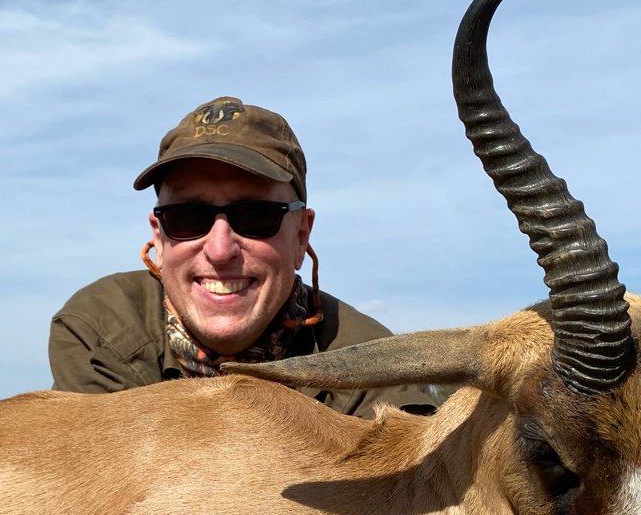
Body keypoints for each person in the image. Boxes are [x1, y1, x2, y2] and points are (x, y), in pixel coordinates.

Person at [49, 96, 436, 417]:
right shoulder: (98, 328)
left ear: (301, 236)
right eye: (186, 218)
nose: (220, 250)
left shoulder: (377, 369)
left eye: (256, 217)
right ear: (159, 237)